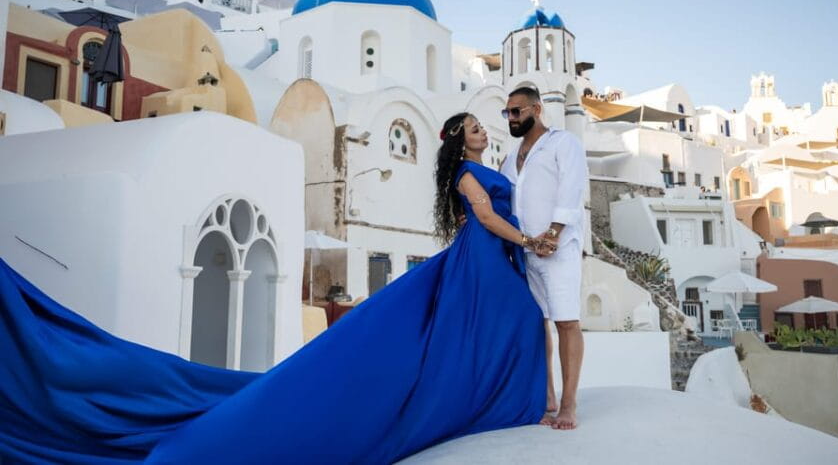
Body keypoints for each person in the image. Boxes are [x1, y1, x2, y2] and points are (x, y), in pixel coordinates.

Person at [0, 112, 547, 464]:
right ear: (457, 140)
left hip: (495, 256)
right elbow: (481, 214)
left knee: (509, 324)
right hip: (486, 255)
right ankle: (512, 400)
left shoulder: (493, 164)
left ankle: (509, 398)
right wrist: (525, 239)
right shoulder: (467, 176)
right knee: (507, 322)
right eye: (473, 125)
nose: (481, 128)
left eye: (481, 124)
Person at [499, 86, 588, 430]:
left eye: (517, 111)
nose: (512, 118)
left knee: (566, 321)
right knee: (539, 323)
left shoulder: (563, 143)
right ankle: (548, 396)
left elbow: (572, 186)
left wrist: (554, 232)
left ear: (536, 109)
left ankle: (569, 405)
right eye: (507, 113)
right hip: (525, 251)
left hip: (559, 247)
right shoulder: (510, 157)